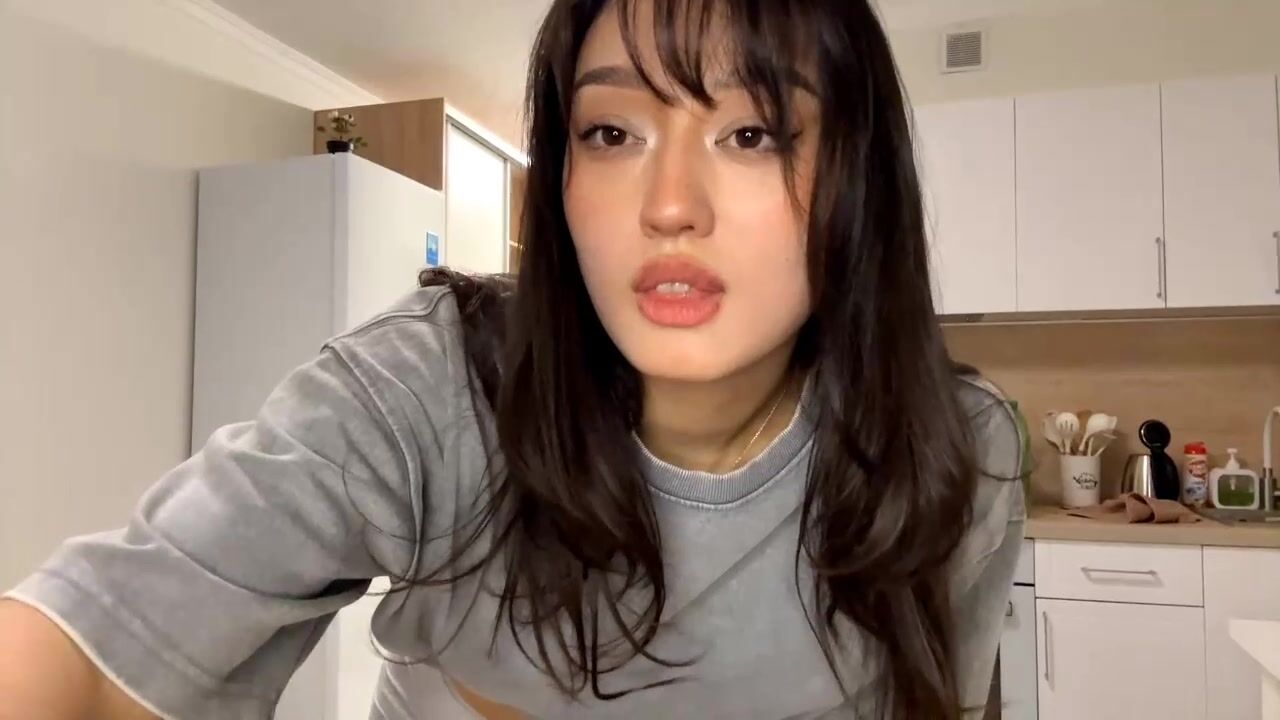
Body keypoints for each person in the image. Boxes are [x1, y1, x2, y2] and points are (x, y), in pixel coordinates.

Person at [0, 0, 1026, 717]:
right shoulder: (435, 389)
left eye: (753, 133)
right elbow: (97, 646)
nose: (669, 205)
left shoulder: (956, 451)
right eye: (611, 132)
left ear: (857, 177)